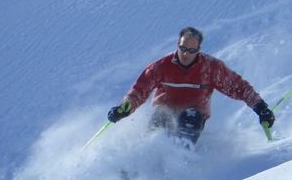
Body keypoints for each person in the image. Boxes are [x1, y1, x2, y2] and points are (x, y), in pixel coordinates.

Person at [108, 26, 275, 145]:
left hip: (193, 117)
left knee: (190, 116)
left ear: (199, 50)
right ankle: (137, 171)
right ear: (178, 46)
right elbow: (140, 89)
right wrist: (125, 108)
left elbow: (239, 87)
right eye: (183, 48)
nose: (186, 54)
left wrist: (260, 107)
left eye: (191, 50)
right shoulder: (161, 66)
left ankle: (176, 171)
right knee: (160, 120)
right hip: (166, 112)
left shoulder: (210, 68)